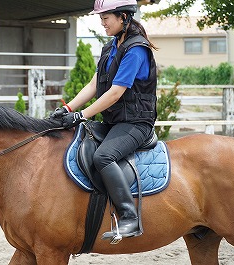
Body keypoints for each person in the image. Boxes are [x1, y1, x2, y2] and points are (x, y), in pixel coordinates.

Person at [51, 0, 158, 242]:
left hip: (136, 123)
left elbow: (115, 92)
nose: (102, 23)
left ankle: (130, 217)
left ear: (123, 17)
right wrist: (67, 108)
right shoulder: (110, 47)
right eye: (101, 18)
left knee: (103, 156)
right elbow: (94, 85)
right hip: (114, 122)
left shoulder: (136, 49)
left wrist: (81, 115)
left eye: (106, 18)